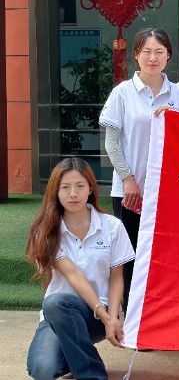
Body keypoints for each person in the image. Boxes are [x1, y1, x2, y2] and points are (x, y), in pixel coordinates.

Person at [99, 28, 179, 307]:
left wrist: (176, 120)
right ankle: (131, 314)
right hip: (130, 192)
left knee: (164, 255)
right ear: (136, 56)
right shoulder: (122, 93)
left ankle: (159, 314)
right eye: (147, 52)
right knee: (130, 255)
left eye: (159, 52)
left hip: (168, 192)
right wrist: (128, 179)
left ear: (169, 56)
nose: (153, 58)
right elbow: (112, 144)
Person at [25, 158, 135, 380]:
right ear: (55, 192)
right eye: (65, 187)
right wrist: (105, 316)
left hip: (96, 317)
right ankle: (77, 354)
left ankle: (91, 375)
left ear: (91, 189)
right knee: (43, 369)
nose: (73, 194)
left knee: (57, 303)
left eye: (80, 186)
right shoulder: (46, 231)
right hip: (58, 315)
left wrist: (112, 316)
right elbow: (73, 275)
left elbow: (116, 277)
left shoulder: (112, 226)